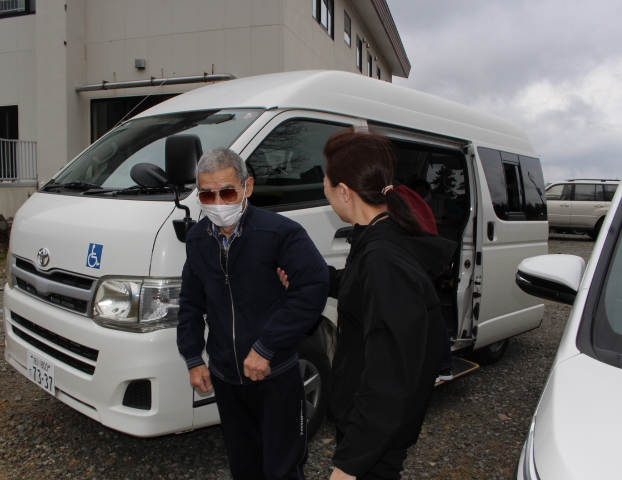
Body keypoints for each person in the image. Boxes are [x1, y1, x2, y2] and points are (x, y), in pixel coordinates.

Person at [176, 147, 329, 480]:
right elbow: (190, 302)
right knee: (244, 466)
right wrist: (193, 357)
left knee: (283, 469)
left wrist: (266, 346)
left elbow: (312, 287)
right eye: (207, 195)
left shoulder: (280, 233)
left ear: (247, 187)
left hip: (275, 375)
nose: (218, 203)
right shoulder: (198, 239)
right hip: (226, 378)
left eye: (227, 192)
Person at [322, 129, 457, 479]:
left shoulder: (383, 259)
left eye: (325, 182)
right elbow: (362, 289)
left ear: (344, 191)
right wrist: (316, 279)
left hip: (375, 444)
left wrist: (349, 465)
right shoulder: (381, 235)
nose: (324, 190)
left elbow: (389, 376)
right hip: (372, 433)